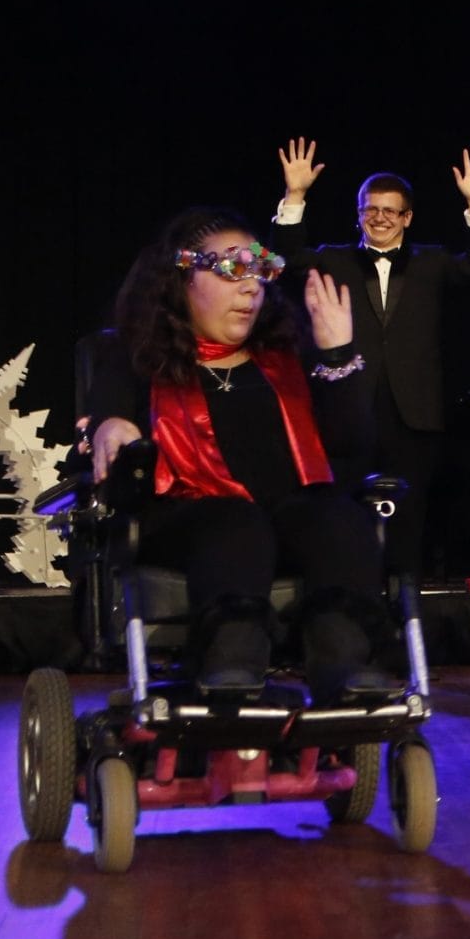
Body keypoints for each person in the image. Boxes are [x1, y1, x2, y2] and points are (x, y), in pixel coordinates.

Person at [85, 208, 399, 702]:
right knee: (237, 521)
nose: (252, 287)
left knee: (336, 517)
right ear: (182, 278)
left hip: (283, 513)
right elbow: (110, 405)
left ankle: (342, 661)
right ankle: (230, 658)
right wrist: (111, 421)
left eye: (260, 271)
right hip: (186, 517)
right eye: (233, 269)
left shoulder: (285, 356)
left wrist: (337, 354)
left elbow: (351, 445)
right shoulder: (139, 356)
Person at [272, 137, 470, 576]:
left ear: (407, 217)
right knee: (342, 518)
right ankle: (349, 604)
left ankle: (406, 612)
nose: (379, 218)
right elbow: (281, 261)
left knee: (409, 522)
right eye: (370, 209)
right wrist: (295, 195)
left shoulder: (431, 262)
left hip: (414, 414)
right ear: (359, 214)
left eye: (390, 210)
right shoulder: (333, 260)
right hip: (348, 410)